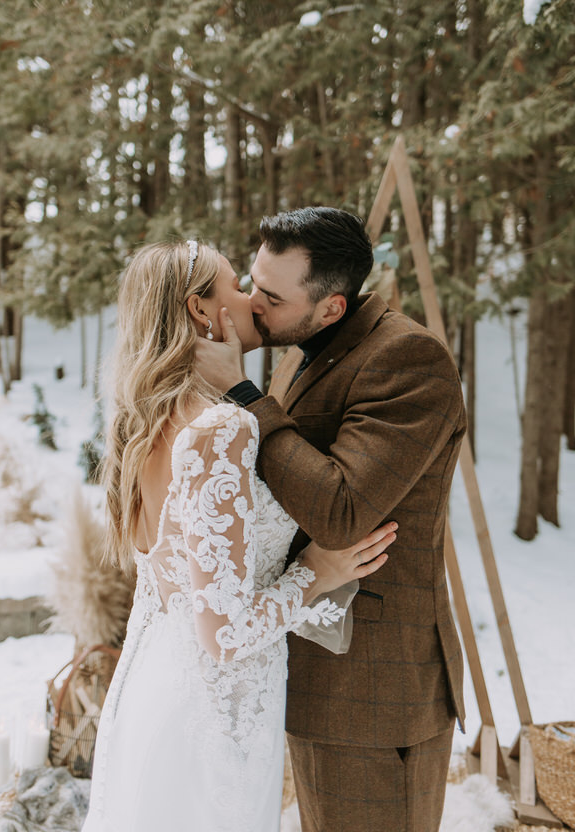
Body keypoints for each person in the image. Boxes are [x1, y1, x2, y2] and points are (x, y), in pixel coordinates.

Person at [81, 239, 397, 832]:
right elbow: (223, 633)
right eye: (236, 284)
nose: (253, 299)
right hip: (212, 712)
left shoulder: (144, 417)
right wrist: (317, 575)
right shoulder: (220, 427)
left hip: (153, 687)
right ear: (203, 310)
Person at [195, 207, 467, 832]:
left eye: (270, 295)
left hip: (373, 691)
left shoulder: (408, 361)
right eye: (251, 279)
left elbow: (341, 512)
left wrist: (243, 396)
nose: (251, 302)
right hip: (318, 674)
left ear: (331, 308)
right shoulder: (311, 348)